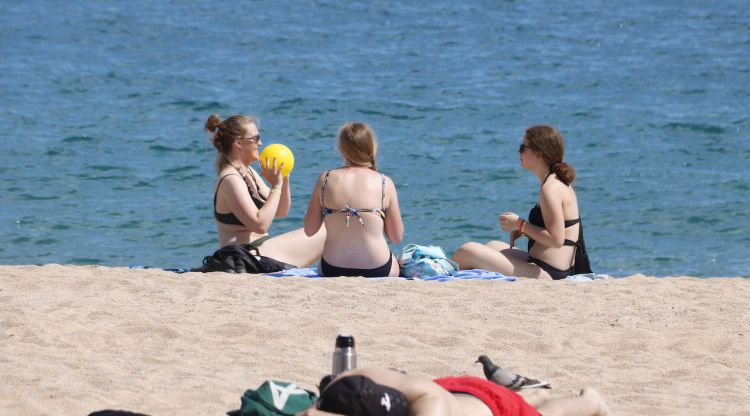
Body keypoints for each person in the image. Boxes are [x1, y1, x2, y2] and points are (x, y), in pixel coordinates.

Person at [452, 125, 591, 280]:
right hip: (547, 266)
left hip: (548, 273)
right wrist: (525, 230)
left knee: (467, 250)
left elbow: (556, 240)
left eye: (523, 147)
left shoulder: (550, 189)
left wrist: (520, 224)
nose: (519, 152)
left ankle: (438, 276)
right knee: (493, 245)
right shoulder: (556, 182)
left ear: (539, 153)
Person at [205, 114, 325, 267]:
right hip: (245, 258)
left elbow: (281, 211)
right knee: (331, 230)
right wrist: (275, 186)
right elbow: (260, 225)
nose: (260, 143)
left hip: (258, 251)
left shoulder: (248, 172)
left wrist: (283, 180)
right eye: (255, 138)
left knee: (332, 227)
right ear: (239, 143)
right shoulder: (231, 179)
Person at [303, 122, 404, 277]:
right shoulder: (384, 183)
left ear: (342, 149)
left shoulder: (325, 179)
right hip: (378, 268)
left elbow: (310, 230)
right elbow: (396, 237)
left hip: (332, 268)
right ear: (371, 147)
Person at [298, 367, 612, 416]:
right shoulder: (350, 383)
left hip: (489, 406)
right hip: (452, 389)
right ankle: (536, 393)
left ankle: (590, 400)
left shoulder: (431, 407)